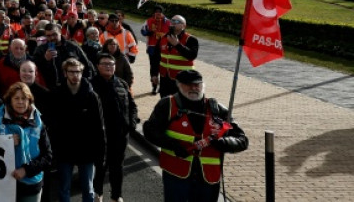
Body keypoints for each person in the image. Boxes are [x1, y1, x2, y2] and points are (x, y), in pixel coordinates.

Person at [143, 70, 248, 202]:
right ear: (179, 85)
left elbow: (242, 140)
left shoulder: (217, 109)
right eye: (188, 84)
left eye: (197, 84)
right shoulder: (167, 105)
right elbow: (149, 130)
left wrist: (225, 142)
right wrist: (173, 145)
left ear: (203, 85)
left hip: (208, 178)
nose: (193, 88)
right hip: (176, 175)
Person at [47, 57, 106, 202]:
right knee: (64, 189)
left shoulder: (92, 96)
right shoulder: (56, 94)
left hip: (86, 151)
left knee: (88, 189)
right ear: (65, 73)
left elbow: (99, 127)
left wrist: (101, 152)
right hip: (64, 151)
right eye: (72, 72)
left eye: (78, 72)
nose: (75, 75)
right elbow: (52, 124)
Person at [91, 53, 139, 202]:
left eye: (111, 64)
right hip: (99, 135)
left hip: (120, 134)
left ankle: (116, 195)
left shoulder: (122, 84)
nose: (108, 67)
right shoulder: (90, 85)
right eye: (105, 64)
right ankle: (97, 192)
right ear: (98, 67)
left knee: (117, 167)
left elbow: (132, 106)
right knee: (100, 165)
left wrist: (131, 124)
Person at [0, 82, 53, 202]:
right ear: (10, 100)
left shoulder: (38, 123)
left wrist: (26, 170)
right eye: (16, 98)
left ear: (29, 101)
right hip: (3, 183)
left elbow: (47, 156)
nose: (20, 102)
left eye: (24, 98)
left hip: (31, 185)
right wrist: (5, 143)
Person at [34, 23, 94, 88]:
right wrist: (45, 59)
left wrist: (85, 82)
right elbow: (35, 70)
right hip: (52, 88)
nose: (52, 38)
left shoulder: (73, 46)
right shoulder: (41, 50)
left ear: (60, 32)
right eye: (48, 36)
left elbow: (87, 65)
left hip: (74, 86)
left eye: (54, 34)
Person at [158, 15, 199, 97]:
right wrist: (154, 74)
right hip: (165, 80)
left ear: (183, 26)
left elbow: (192, 56)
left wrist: (177, 45)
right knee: (165, 104)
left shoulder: (191, 39)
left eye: (176, 22)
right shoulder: (163, 38)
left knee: (182, 105)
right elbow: (156, 58)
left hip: (183, 80)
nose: (173, 23)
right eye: (172, 21)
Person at [141, 5, 170, 95]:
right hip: (152, 47)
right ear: (154, 13)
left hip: (165, 48)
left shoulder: (168, 22)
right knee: (154, 67)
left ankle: (163, 86)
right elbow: (143, 31)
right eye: (156, 11)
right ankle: (154, 86)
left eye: (159, 11)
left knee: (164, 67)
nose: (158, 13)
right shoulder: (149, 21)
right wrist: (149, 32)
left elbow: (172, 33)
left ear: (162, 12)